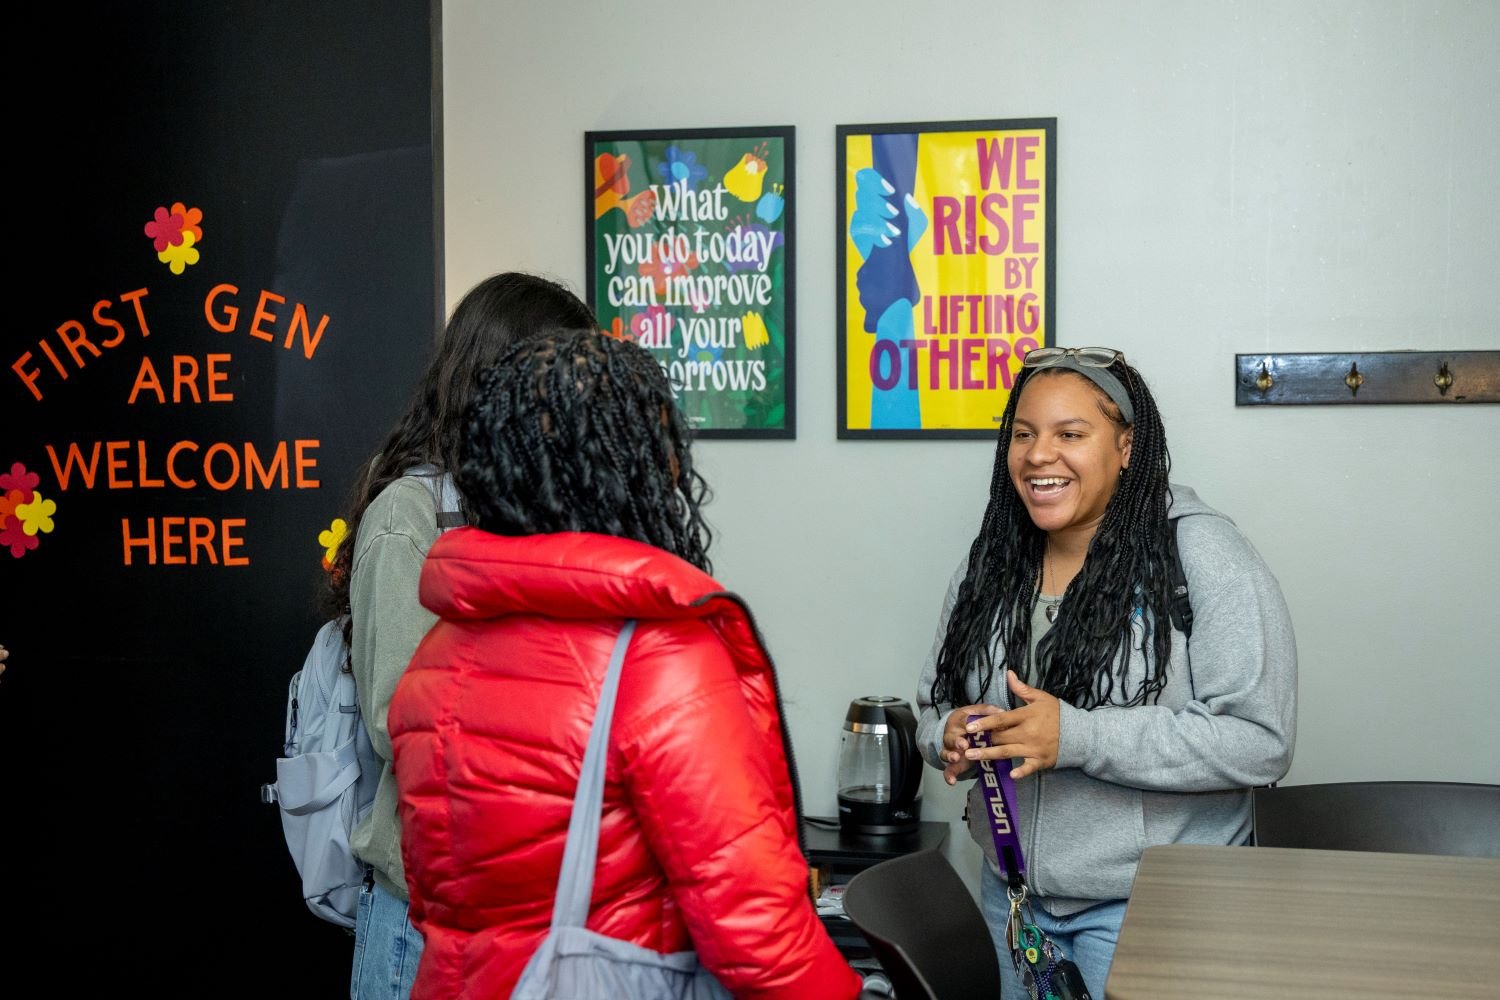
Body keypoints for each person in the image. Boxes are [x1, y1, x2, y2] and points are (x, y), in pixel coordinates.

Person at [387, 329, 864, 1000]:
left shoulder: (436, 656)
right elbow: (757, 934)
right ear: (633, 467)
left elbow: (443, 897)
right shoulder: (657, 657)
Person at [914, 346, 1297, 999]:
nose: (1039, 455)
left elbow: (1260, 742)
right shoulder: (993, 562)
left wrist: (1080, 738)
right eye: (1024, 434)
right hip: (1013, 899)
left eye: (1071, 434)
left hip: (1155, 906)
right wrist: (948, 732)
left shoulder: (1201, 553)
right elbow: (932, 706)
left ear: (1125, 446)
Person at [324, 272, 598, 1000]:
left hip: (523, 915)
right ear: (501, 380)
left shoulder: (533, 507)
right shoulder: (406, 520)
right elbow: (402, 726)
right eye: (561, 378)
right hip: (426, 922)